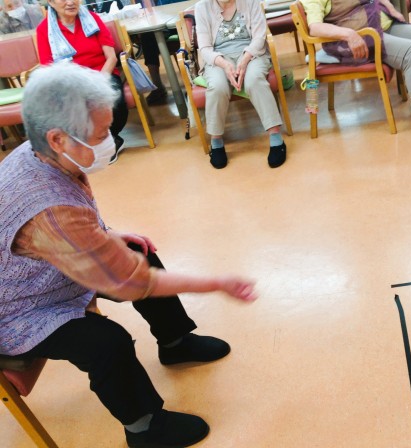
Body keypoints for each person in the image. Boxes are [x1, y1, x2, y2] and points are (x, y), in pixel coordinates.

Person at [0, 62, 258, 448]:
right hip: (18, 309)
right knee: (106, 342)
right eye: (101, 134)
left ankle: (175, 342)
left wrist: (108, 234)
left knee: (137, 250)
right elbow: (132, 281)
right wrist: (218, 283)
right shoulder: (49, 208)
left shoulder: (35, 152)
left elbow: (66, 225)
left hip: (47, 271)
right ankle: (144, 428)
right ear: (57, 138)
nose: (110, 140)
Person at [300, 0, 411, 145]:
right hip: (362, 39)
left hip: (381, 25)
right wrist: (348, 34)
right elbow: (315, 27)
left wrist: (390, 8)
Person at [195, 0, 288, 169]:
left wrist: (244, 60)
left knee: (254, 80)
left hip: (252, 53)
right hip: (218, 58)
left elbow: (259, 37)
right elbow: (205, 48)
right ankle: (216, 141)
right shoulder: (202, 7)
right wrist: (225, 64)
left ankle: (276, 137)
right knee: (217, 86)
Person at [36, 0, 128, 162]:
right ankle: (88, 144)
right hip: (70, 81)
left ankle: (111, 137)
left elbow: (111, 58)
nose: (70, 2)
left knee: (112, 100)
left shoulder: (92, 19)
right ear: (50, 2)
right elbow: (49, 69)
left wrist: (97, 82)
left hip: (102, 73)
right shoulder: (44, 30)